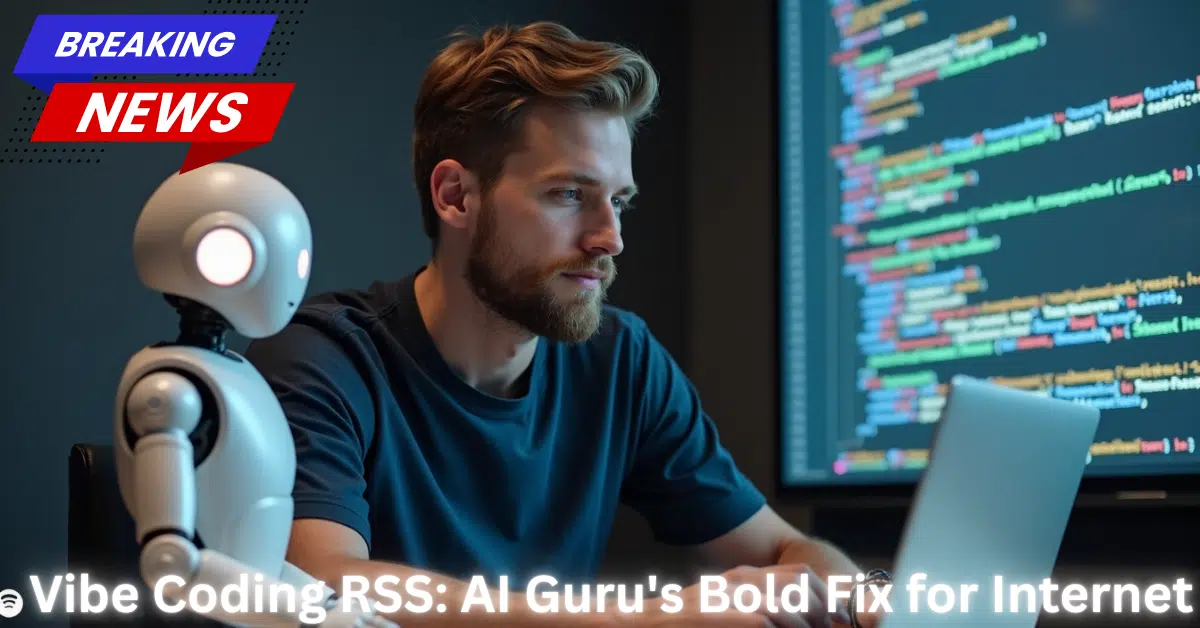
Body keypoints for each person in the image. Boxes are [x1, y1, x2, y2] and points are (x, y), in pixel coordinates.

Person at [245, 21, 880, 628]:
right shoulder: (322, 358)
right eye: (570, 195)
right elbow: (325, 582)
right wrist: (639, 616)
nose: (610, 238)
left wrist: (868, 601)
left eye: (619, 200)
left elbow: (787, 553)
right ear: (455, 197)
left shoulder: (622, 362)